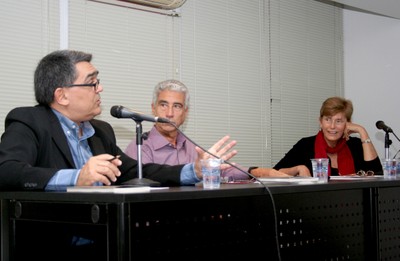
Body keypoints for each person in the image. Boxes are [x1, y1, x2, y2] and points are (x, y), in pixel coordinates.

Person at [0, 50, 239, 192]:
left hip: (104, 232)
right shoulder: (29, 120)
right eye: (92, 83)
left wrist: (194, 171)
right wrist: (77, 177)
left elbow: (137, 170)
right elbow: (7, 171)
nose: (100, 88)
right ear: (62, 95)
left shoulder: (100, 131)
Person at [124, 79, 290, 181]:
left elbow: (222, 171)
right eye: (163, 105)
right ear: (153, 109)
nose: (169, 113)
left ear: (185, 113)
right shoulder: (140, 148)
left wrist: (258, 172)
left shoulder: (190, 145)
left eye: (177, 106)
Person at [273, 96, 382, 177]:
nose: (332, 126)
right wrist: (297, 169)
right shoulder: (305, 145)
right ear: (320, 122)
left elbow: (376, 174)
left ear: (348, 123)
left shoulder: (355, 145)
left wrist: (362, 131)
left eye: (338, 121)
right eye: (328, 120)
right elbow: (276, 172)